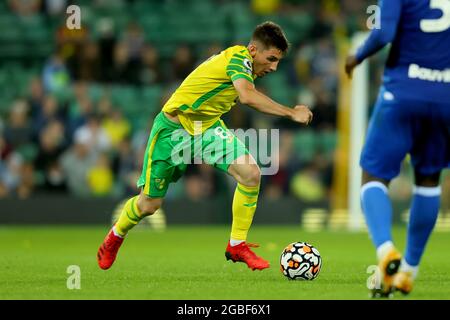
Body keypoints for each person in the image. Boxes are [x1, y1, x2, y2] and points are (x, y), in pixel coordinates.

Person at [97, 21, 313, 271]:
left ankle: (237, 245)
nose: (274, 67)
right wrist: (290, 112)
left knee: (251, 174)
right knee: (149, 205)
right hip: (172, 129)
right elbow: (247, 96)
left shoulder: (248, 67)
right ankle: (115, 236)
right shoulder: (238, 59)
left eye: (278, 62)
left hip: (206, 128)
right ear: (253, 50)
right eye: (271, 58)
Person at [345, 0, 449, 297]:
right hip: (446, 97)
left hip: (404, 91)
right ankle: (408, 271)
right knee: (429, 181)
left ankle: (386, 250)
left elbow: (384, 31)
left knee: (373, 177)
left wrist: (357, 55)